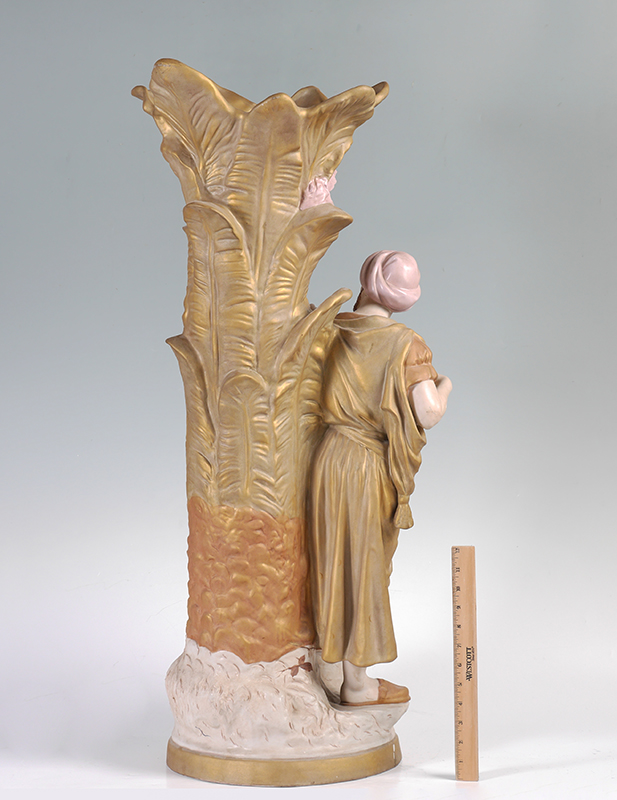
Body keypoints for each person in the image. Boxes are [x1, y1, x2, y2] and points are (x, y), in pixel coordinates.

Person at [309, 250, 452, 705]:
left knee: (332, 560)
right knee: (364, 566)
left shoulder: (332, 329)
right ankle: (356, 684)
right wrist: (446, 385)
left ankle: (328, 663)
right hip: (365, 464)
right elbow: (427, 413)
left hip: (328, 459)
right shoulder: (406, 344)